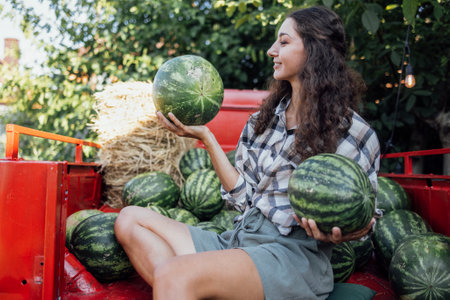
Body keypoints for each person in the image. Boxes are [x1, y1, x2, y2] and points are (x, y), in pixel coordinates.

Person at [115, 5, 380, 300]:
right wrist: (205, 136)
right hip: (241, 241)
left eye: (284, 41)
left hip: (291, 257)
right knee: (129, 220)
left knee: (172, 273)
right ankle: (188, 288)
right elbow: (244, 198)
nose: (271, 50)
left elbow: (364, 217)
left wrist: (341, 232)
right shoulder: (261, 122)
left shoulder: (353, 132)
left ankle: (182, 285)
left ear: (316, 49)